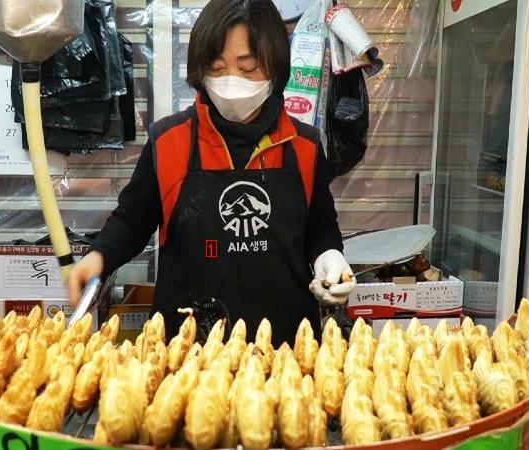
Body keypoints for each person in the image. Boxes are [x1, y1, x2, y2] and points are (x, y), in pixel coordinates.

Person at [69, 0, 356, 345]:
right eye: (217, 68)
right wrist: (98, 257)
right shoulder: (169, 141)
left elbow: (320, 227)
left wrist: (330, 258)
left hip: (285, 350)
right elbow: (132, 221)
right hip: (186, 347)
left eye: (248, 68)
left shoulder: (304, 145)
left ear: (276, 68)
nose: (231, 81)